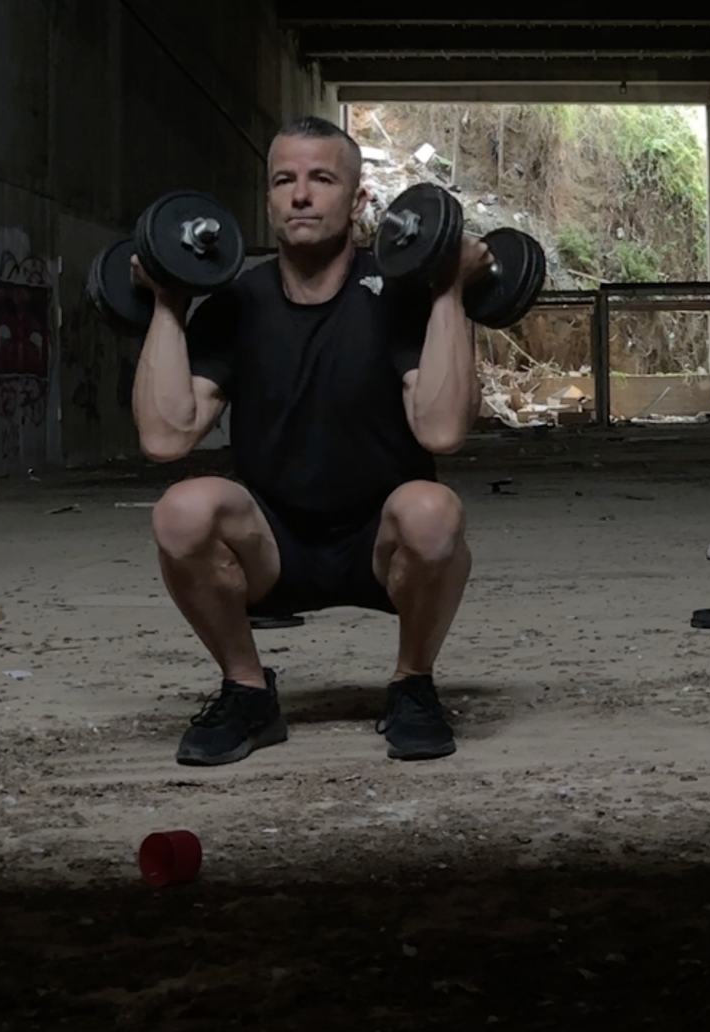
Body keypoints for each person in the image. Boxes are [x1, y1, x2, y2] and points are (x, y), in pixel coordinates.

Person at [130, 114, 485, 766]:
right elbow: (164, 435)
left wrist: (449, 292)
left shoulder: (398, 295)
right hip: (275, 544)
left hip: (382, 544)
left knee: (433, 512)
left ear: (357, 201)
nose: (300, 195)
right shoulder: (239, 302)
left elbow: (441, 430)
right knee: (180, 509)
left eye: (321, 179)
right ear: (266, 199)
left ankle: (412, 684)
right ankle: (246, 691)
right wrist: (167, 303)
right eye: (283, 180)